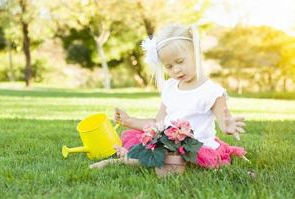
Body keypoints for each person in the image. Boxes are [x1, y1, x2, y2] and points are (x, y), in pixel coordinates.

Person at [90, 24, 247, 169]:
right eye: (169, 66)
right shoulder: (170, 87)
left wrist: (228, 126)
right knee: (155, 148)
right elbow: (158, 124)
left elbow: (224, 119)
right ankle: (130, 157)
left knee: (169, 157)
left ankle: (123, 160)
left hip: (195, 146)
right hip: (168, 143)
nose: (176, 70)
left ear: (196, 53)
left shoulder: (211, 92)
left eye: (180, 61)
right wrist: (129, 121)